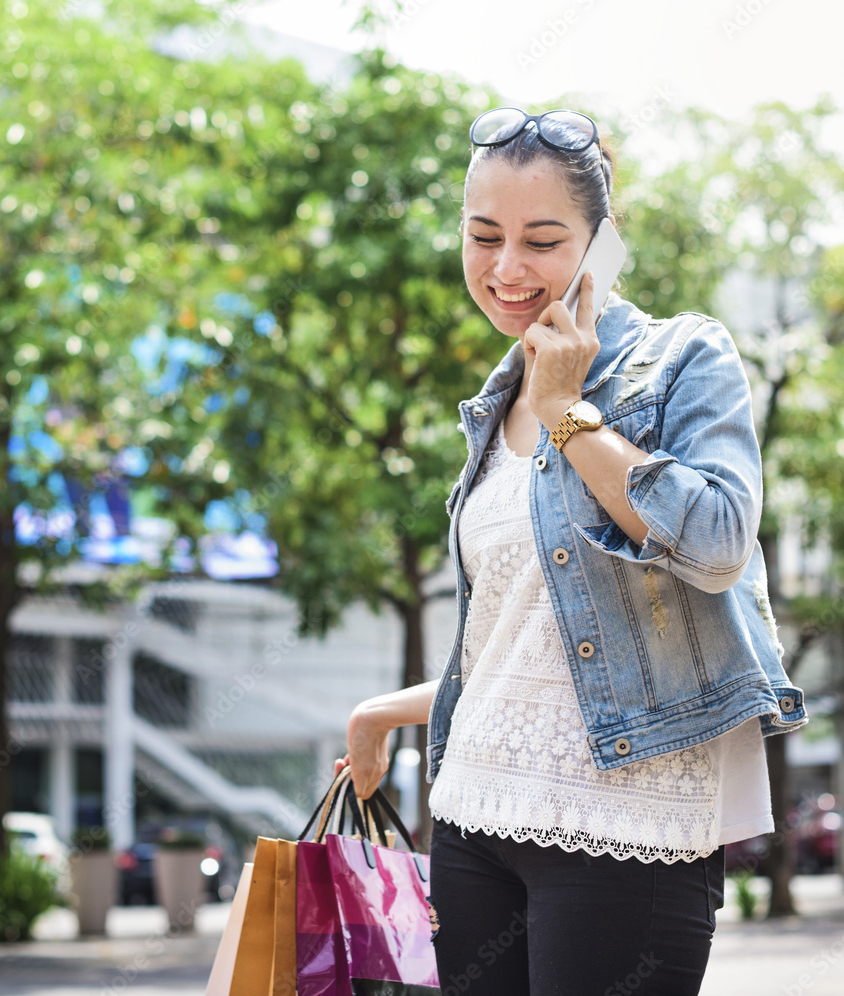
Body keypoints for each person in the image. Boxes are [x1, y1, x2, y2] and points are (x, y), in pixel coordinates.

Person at [335, 107, 807, 995]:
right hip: (472, 814)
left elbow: (716, 545)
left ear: (601, 245)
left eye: (543, 241)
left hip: (627, 824)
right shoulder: (490, 403)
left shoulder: (682, 358)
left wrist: (567, 413)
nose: (507, 269)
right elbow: (529, 646)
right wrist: (382, 714)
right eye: (484, 236)